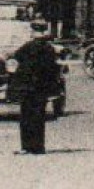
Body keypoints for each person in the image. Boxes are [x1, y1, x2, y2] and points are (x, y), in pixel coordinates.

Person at [10, 19, 62, 155]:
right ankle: (38, 147)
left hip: (27, 87)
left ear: (33, 32)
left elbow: (16, 56)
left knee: (26, 116)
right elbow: (52, 68)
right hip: (41, 87)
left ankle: (26, 146)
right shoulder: (49, 49)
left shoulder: (27, 47)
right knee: (39, 117)